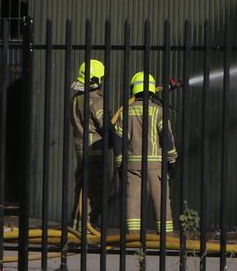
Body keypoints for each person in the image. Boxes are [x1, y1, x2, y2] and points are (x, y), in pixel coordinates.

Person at [112, 72, 178, 240]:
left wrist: (120, 163)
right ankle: (166, 237)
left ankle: (133, 237)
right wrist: (172, 159)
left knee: (132, 200)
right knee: (160, 201)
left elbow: (118, 139)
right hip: (155, 165)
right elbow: (167, 138)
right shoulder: (158, 111)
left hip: (133, 165)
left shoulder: (126, 112)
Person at [68, 60, 111, 234]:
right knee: (94, 192)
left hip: (82, 151)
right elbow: (105, 125)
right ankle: (88, 229)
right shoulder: (94, 100)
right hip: (95, 151)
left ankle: (77, 228)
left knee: (82, 189)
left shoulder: (76, 99)